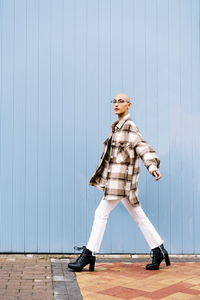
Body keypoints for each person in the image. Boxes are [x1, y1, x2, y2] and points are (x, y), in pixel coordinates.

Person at [68, 93, 170, 272]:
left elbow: (142, 147)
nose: (116, 104)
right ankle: (159, 249)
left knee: (101, 213)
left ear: (129, 105)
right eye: (114, 101)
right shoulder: (117, 128)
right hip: (117, 182)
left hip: (121, 182)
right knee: (139, 216)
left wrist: (152, 165)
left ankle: (89, 254)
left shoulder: (130, 127)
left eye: (120, 101)